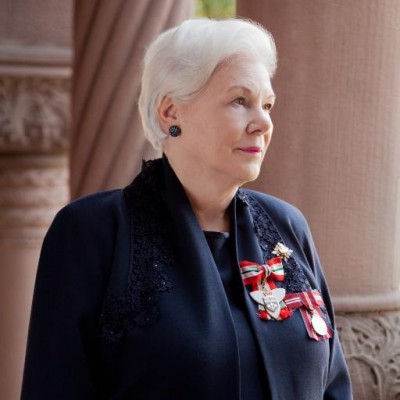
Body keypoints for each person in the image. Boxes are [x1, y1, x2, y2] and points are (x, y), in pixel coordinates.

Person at [21, 18, 352, 399]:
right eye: (240, 101)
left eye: (267, 105)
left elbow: (334, 386)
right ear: (170, 112)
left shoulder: (287, 226)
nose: (263, 122)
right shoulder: (91, 232)